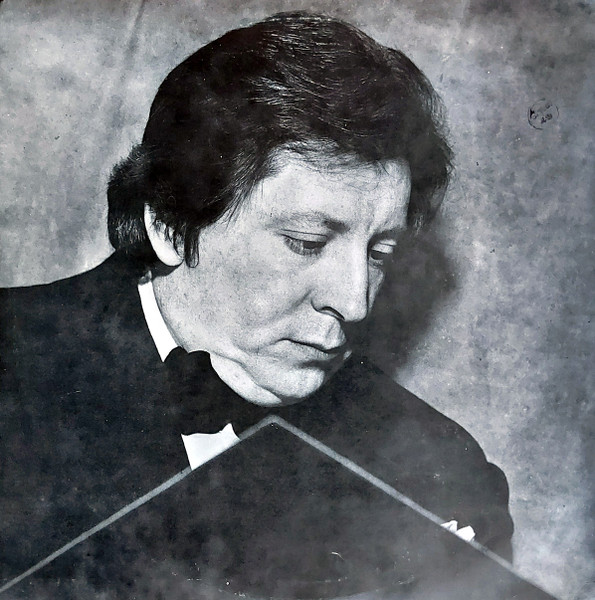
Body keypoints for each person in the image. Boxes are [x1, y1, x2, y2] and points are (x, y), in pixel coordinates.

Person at [0, 11, 513, 589]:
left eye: (380, 252)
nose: (355, 302)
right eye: (306, 242)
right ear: (170, 225)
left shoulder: (442, 475)